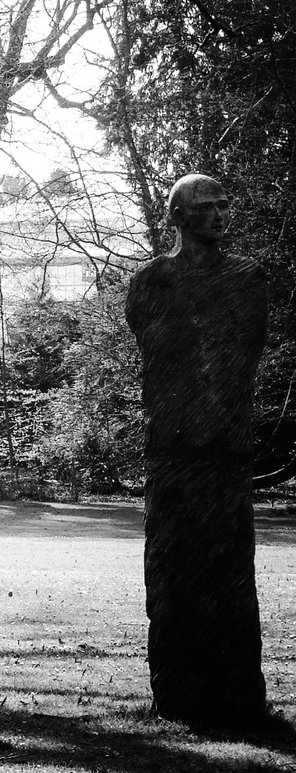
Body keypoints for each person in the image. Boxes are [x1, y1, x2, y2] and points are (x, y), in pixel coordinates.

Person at [125, 174, 270, 726]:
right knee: (174, 572)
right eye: (205, 207)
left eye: (223, 205)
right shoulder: (153, 281)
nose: (218, 215)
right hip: (173, 450)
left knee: (231, 575)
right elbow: (156, 353)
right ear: (179, 217)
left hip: (228, 451)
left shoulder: (246, 278)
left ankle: (236, 697)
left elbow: (244, 356)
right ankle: (180, 694)